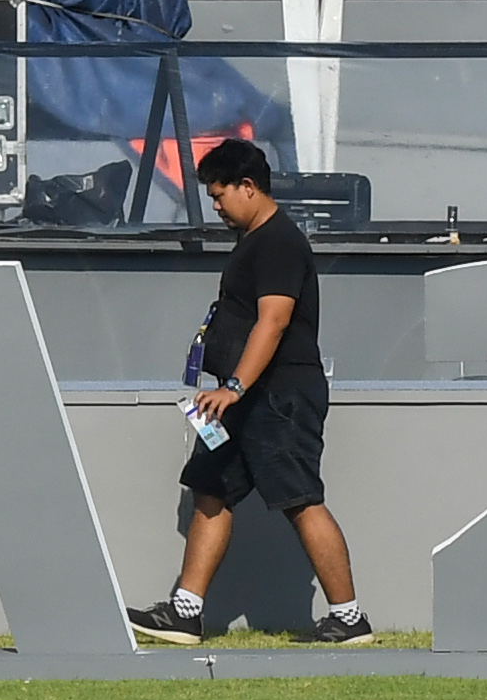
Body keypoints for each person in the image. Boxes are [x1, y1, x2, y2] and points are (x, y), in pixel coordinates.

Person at [126, 140, 369, 645]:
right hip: (241, 398)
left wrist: (236, 386)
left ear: (249, 187)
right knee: (211, 487)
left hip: (277, 396)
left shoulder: (278, 242)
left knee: (300, 498)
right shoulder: (254, 241)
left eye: (219, 195)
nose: (216, 206)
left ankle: (348, 619)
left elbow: (274, 321)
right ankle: (185, 612)